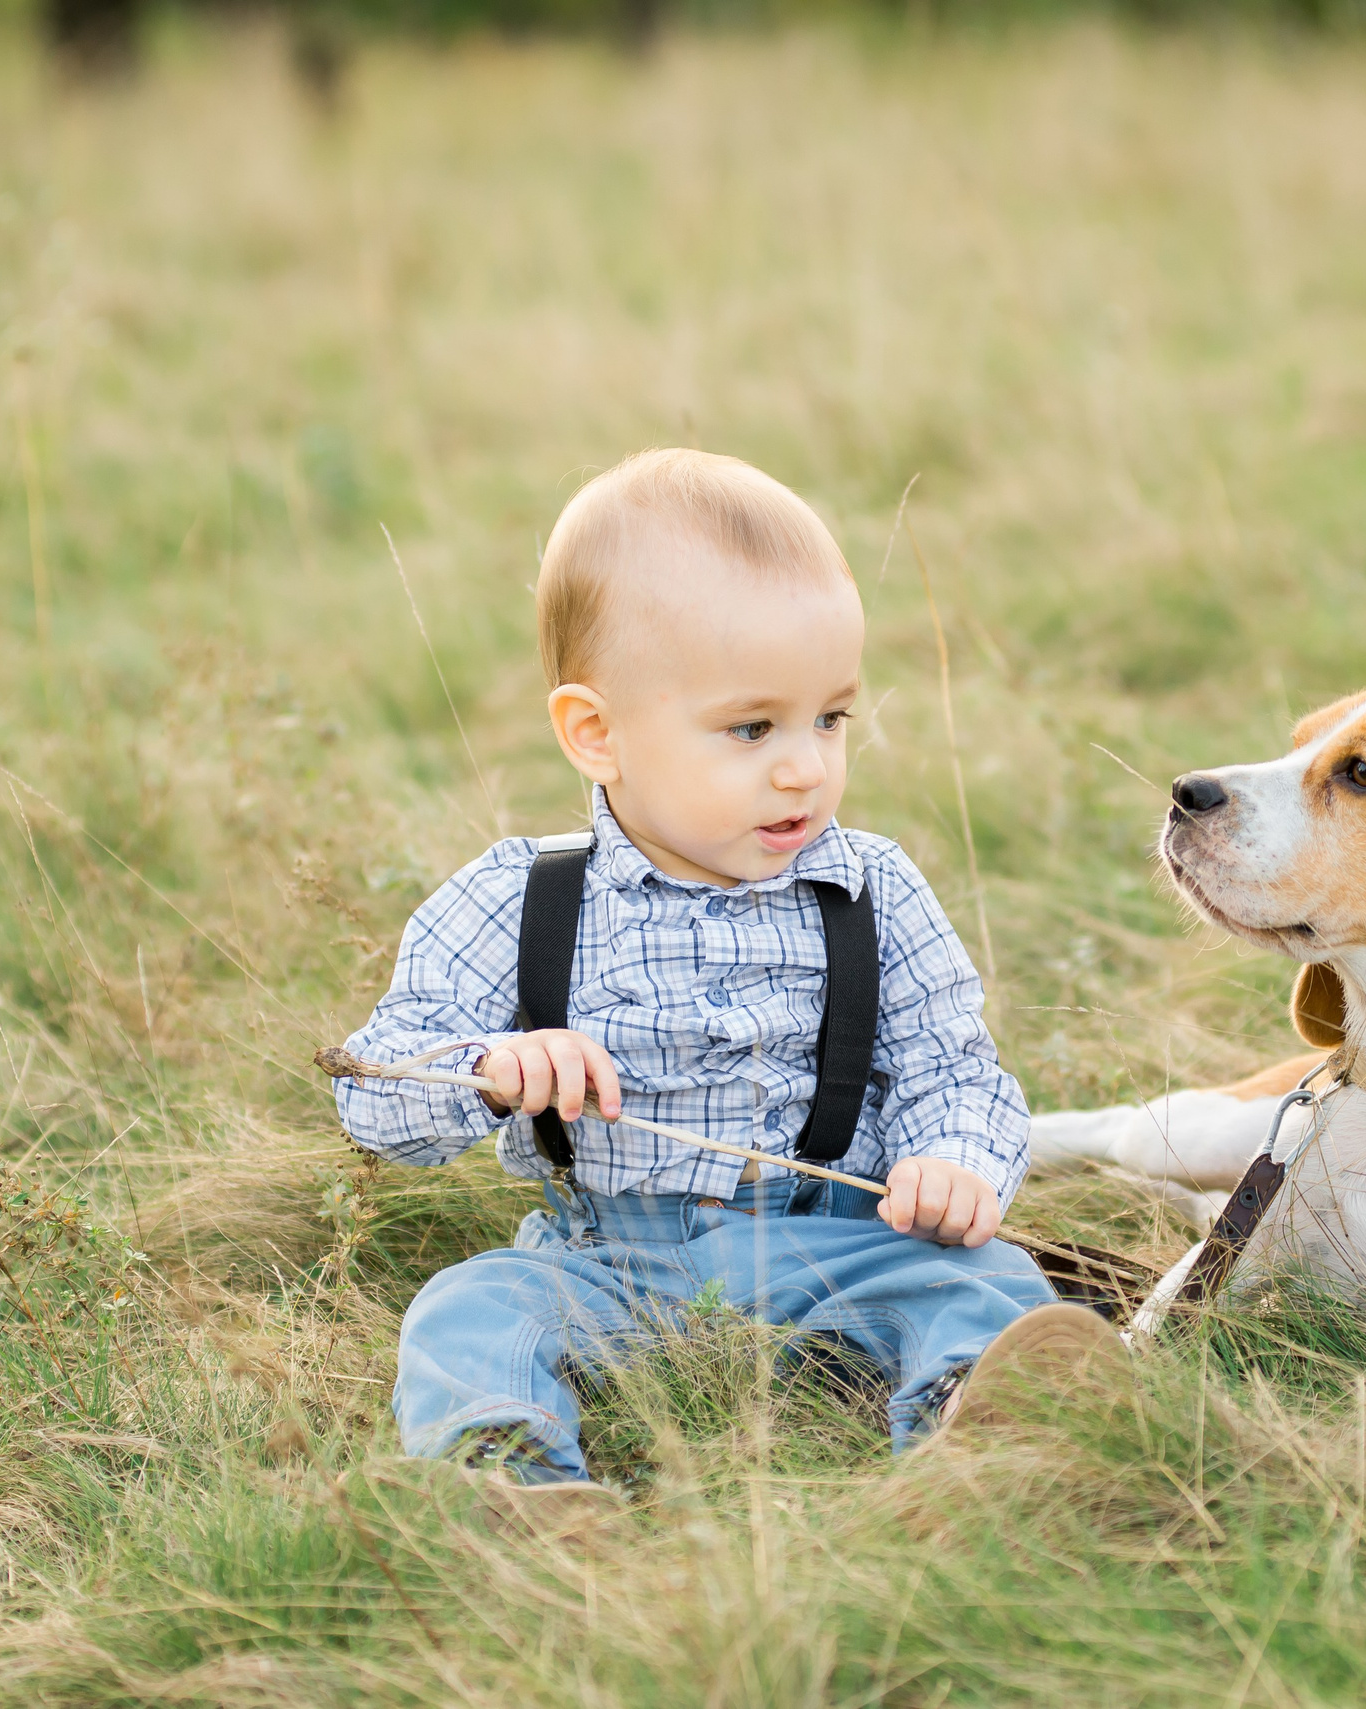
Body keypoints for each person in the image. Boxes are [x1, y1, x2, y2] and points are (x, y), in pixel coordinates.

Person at [335, 448, 1122, 1523]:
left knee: (989, 1279)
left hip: (834, 1242)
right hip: (605, 1256)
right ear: (596, 733)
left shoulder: (872, 888)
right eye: (752, 728)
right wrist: (489, 1068)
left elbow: (952, 1069)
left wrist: (952, 1160)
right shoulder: (521, 896)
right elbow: (376, 1089)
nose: (805, 766)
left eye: (830, 718)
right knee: (463, 1311)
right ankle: (509, 1482)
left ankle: (975, 1437)